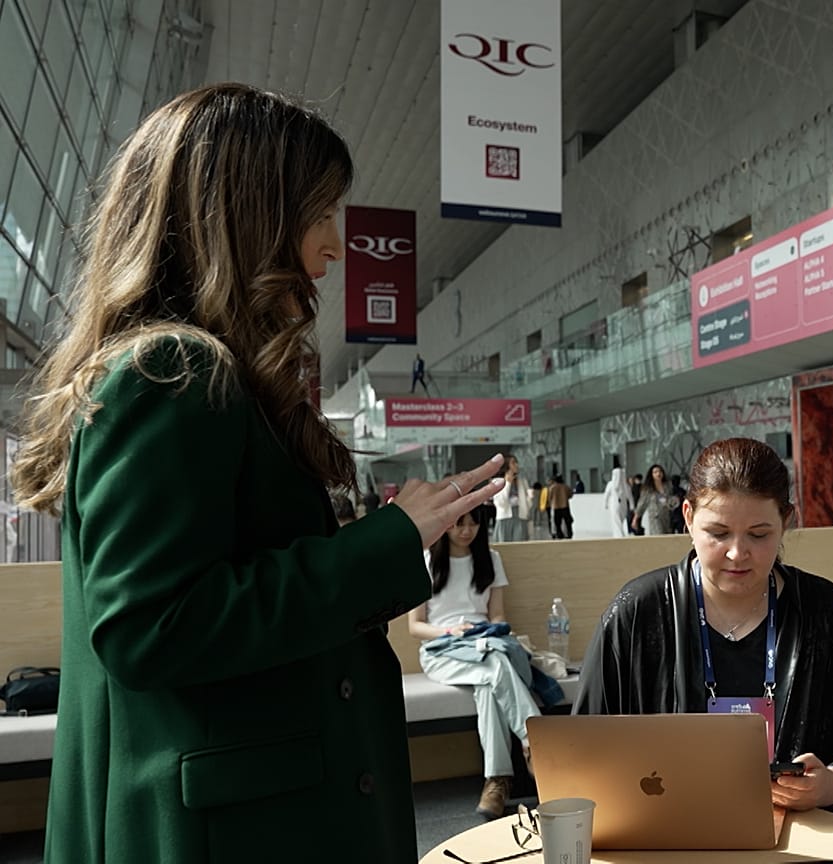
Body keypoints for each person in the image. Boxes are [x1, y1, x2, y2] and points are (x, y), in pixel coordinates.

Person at [6, 83, 507, 864]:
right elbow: (150, 627)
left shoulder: (189, 373)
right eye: (321, 212)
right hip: (225, 830)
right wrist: (384, 541)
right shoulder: (173, 370)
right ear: (249, 213)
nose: (337, 244)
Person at [573, 438, 833, 818]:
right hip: (664, 839)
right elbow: (581, 752)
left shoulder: (826, 613)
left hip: (793, 844)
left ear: (785, 521)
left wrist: (831, 785)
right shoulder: (638, 613)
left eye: (759, 534)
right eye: (718, 533)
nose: (738, 553)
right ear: (688, 517)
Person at [407, 503, 541, 820]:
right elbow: (415, 626)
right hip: (442, 650)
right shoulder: (425, 561)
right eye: (458, 524)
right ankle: (535, 740)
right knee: (494, 667)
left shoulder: (491, 560)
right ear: (446, 525)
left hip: (484, 645)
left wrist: (486, 630)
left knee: (489, 686)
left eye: (473, 523)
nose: (466, 531)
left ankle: (497, 781)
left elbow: (497, 616)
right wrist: (450, 630)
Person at [491, 455, 534, 541]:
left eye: (516, 462)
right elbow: (500, 503)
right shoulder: (497, 482)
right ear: (506, 465)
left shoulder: (522, 481)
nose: (517, 465)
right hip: (504, 519)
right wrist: (508, 483)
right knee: (504, 549)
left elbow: (528, 504)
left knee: (520, 549)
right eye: (513, 462)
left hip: (520, 517)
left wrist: (530, 498)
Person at [631, 463, 677, 537]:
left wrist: (672, 502)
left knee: (667, 538)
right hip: (655, 517)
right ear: (651, 475)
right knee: (659, 536)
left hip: (666, 517)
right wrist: (635, 519)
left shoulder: (668, 487)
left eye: (660, 471)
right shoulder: (648, 489)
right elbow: (642, 504)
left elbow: (672, 500)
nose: (658, 474)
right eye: (655, 472)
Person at [602, 467, 632, 538]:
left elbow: (629, 496)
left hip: (623, 504)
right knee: (616, 519)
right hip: (614, 504)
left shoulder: (625, 485)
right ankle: (619, 534)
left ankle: (620, 533)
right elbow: (606, 495)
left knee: (621, 519)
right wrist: (605, 504)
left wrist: (631, 505)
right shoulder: (611, 484)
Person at [546, 472, 573, 539]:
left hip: (556, 507)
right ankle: (569, 533)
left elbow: (550, 497)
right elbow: (570, 495)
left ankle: (559, 534)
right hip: (565, 506)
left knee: (557, 523)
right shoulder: (565, 487)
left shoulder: (552, 488)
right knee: (567, 522)